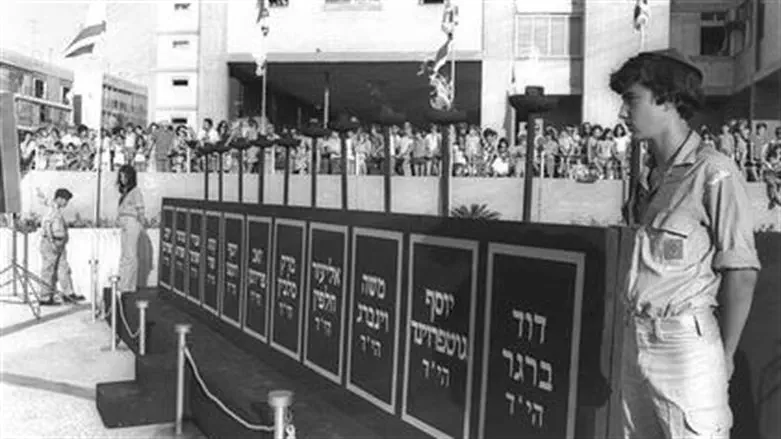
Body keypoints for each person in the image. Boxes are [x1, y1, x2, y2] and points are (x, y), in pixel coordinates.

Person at [613, 48, 760, 438]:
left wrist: (722, 357)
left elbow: (741, 274)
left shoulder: (713, 173)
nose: (623, 113)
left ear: (669, 99)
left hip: (686, 345)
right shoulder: (649, 177)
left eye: (632, 100)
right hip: (636, 336)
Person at [39, 188, 85, 305]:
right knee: (48, 270)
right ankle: (45, 297)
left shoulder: (56, 210)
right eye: (65, 200)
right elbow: (47, 226)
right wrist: (52, 242)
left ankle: (68, 293)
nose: (66, 203)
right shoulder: (51, 209)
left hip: (59, 243)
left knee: (63, 269)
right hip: (51, 243)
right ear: (59, 198)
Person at [116, 165, 145, 295]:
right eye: (121, 176)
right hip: (124, 224)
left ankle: (128, 286)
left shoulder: (136, 191)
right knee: (124, 255)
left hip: (132, 223)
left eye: (124, 176)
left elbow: (140, 210)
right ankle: (124, 284)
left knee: (130, 255)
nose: (122, 179)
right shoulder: (125, 192)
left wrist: (141, 224)